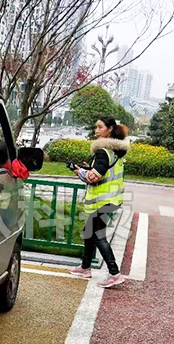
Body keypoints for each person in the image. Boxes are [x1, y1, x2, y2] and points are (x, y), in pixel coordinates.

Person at [69, 117, 130, 288]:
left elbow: (93, 177)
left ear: (109, 129)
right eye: (96, 127)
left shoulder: (103, 151)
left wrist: (79, 172)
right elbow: (102, 172)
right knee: (89, 231)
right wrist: (86, 169)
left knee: (97, 234)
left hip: (103, 201)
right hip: (111, 200)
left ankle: (114, 273)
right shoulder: (115, 151)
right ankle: (85, 267)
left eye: (100, 127)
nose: (96, 130)